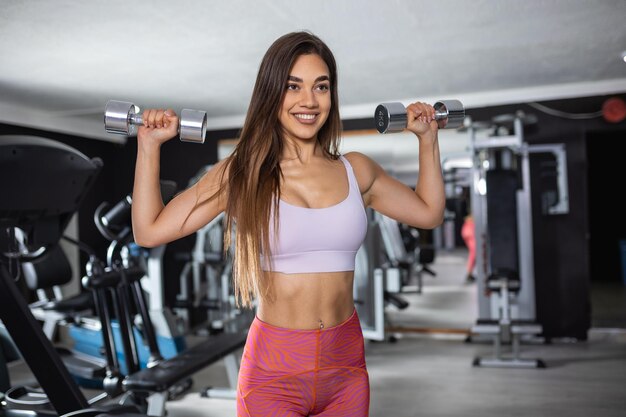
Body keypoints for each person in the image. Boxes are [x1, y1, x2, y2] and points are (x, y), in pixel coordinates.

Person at [132, 31, 444, 417]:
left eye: (321, 86)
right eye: (293, 86)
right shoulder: (242, 173)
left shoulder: (356, 170)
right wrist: (149, 147)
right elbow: (148, 231)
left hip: (345, 368)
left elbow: (429, 212)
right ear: (271, 93)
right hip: (273, 373)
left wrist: (428, 140)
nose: (309, 101)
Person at [461, 213, 476, 283]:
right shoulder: (470, 223)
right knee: (473, 255)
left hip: (470, 235)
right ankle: (469, 273)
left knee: (473, 255)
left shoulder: (469, 222)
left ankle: (470, 273)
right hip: (471, 236)